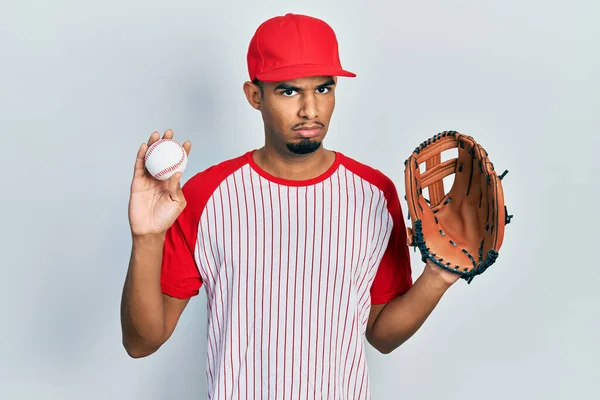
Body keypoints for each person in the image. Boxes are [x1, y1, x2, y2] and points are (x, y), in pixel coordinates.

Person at [120, 12, 460, 399]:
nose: (310, 110)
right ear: (254, 95)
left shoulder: (374, 195)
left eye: (324, 89)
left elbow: (381, 335)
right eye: (289, 91)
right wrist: (146, 237)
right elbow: (142, 342)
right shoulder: (204, 195)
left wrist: (437, 276)